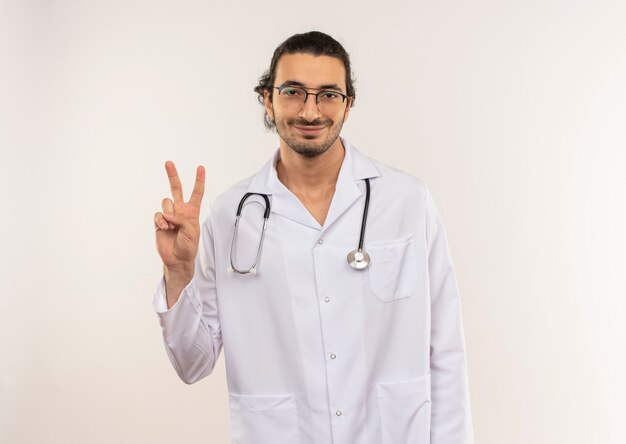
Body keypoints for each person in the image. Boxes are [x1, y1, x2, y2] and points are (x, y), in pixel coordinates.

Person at [152, 31, 474, 444]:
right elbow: (191, 364)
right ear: (267, 100)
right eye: (293, 92)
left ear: (348, 104)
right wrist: (178, 273)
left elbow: (445, 349)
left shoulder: (407, 201)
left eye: (328, 94)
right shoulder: (230, 216)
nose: (310, 110)